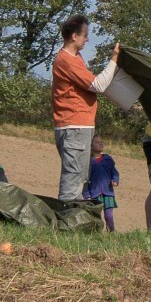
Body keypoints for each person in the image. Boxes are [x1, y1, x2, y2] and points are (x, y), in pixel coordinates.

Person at [51, 15, 100, 201]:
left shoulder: (75, 58)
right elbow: (97, 85)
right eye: (85, 35)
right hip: (74, 127)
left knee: (79, 181)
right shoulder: (67, 61)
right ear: (74, 36)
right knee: (72, 184)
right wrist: (114, 60)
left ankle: (74, 226)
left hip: (78, 127)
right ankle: (65, 226)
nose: (87, 39)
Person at [83, 145, 120, 230]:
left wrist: (115, 180)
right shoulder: (88, 163)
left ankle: (111, 232)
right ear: (91, 146)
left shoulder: (108, 160)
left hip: (108, 193)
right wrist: (87, 194)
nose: (100, 144)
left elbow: (115, 172)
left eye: (101, 142)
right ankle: (97, 233)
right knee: (96, 217)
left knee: (109, 216)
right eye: (97, 142)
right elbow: (85, 180)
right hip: (94, 195)